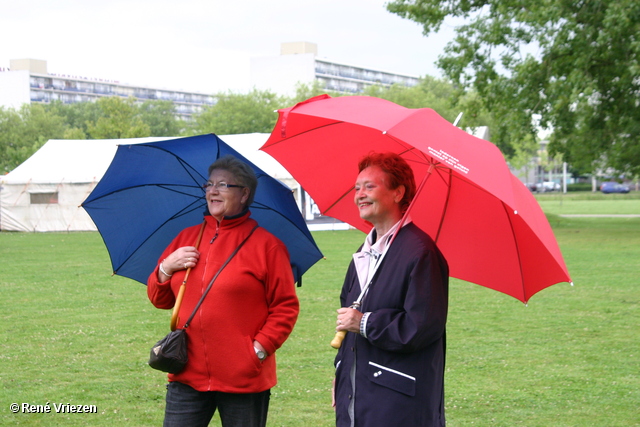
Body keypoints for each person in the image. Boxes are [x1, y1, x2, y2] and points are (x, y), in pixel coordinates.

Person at [147, 155, 299, 427]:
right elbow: (159, 299)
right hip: (186, 373)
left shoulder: (268, 246)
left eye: (223, 185)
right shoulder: (186, 238)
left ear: (244, 194)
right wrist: (166, 267)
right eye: (209, 184)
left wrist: (257, 351)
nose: (213, 191)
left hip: (244, 378)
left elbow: (285, 307)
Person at [332, 152, 449, 427]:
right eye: (357, 187)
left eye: (369, 186)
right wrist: (341, 373)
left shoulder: (422, 253)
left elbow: (420, 327)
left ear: (398, 193)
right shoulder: (364, 252)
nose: (359, 194)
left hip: (399, 402)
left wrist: (364, 322)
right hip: (357, 394)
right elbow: (348, 320)